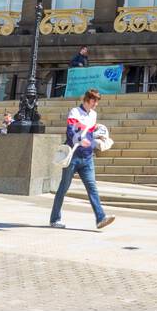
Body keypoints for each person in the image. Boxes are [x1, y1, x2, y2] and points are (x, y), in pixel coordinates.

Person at [50, 88, 115, 230]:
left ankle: (100, 218)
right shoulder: (75, 112)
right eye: (94, 101)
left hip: (87, 157)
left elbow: (90, 135)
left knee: (92, 188)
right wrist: (79, 139)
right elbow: (70, 131)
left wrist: (94, 142)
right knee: (63, 188)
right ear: (87, 99)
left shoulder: (93, 115)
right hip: (73, 156)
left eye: (97, 101)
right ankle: (55, 219)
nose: (95, 104)